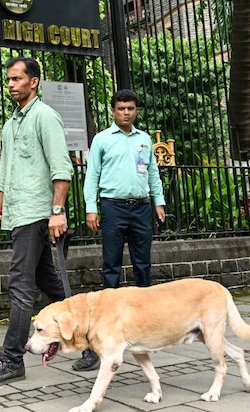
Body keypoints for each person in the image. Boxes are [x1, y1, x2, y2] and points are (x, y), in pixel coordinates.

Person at [0, 56, 74, 386]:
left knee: (20, 286)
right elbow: (6, 173)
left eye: (17, 79)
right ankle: (89, 340)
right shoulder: (10, 123)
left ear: (34, 82)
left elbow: (62, 168)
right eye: (9, 80)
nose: (11, 85)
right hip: (17, 214)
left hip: (37, 214)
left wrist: (57, 212)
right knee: (49, 283)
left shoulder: (46, 117)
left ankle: (12, 358)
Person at [72, 89, 166, 371]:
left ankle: (145, 322)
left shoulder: (144, 139)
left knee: (143, 264)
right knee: (111, 265)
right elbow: (92, 176)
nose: (126, 112)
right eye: (121, 108)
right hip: (112, 206)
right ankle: (107, 323)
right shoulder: (102, 139)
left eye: (131, 108)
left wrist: (158, 202)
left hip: (141, 207)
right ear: (113, 111)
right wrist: (91, 207)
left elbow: (152, 173)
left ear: (137, 110)